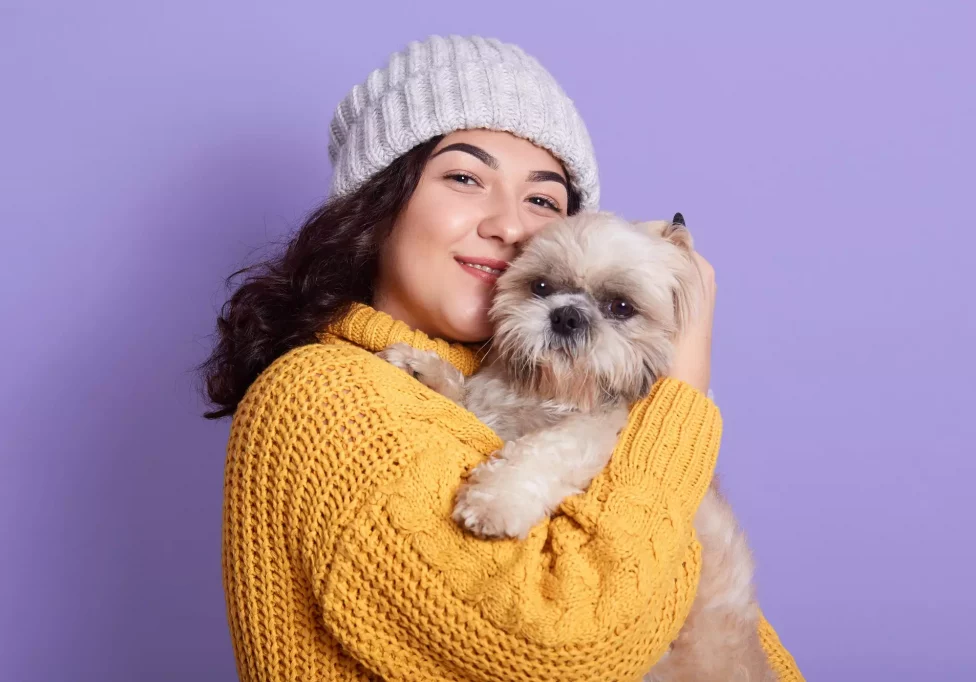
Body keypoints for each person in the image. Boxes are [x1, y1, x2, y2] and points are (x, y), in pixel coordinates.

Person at [201, 35, 803, 681]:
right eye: (465, 178)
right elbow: (565, 651)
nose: (510, 226)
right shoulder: (321, 397)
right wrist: (686, 384)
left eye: (542, 199)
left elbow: (734, 628)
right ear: (377, 204)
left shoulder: (506, 390)